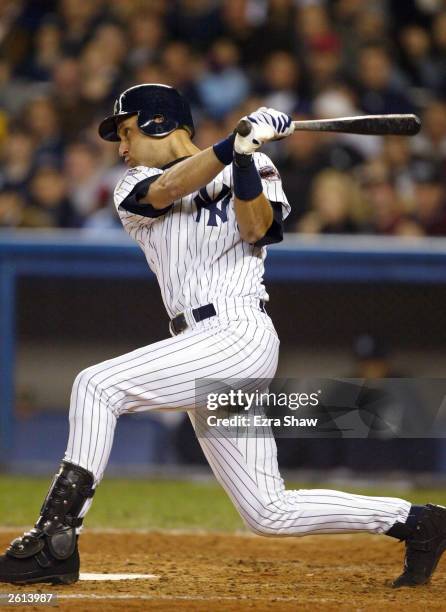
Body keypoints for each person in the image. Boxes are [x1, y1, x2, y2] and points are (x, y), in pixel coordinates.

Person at [1, 84, 445, 589]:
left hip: (238, 331)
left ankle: (55, 538)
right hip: (198, 342)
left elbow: (257, 229)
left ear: (157, 123)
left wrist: (245, 159)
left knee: (96, 386)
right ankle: (419, 521)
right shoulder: (134, 182)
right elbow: (167, 191)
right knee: (268, 510)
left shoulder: (255, 166)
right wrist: (231, 146)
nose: (121, 147)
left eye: (126, 132)